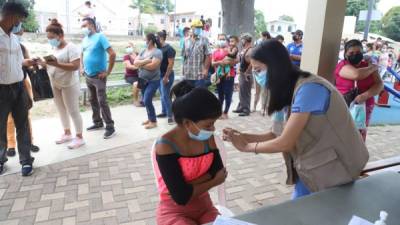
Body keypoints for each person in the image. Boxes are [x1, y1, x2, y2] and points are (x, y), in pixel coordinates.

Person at [223, 40, 369, 199]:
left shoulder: (309, 89)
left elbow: (285, 142)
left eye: (258, 70)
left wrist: (246, 147)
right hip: (314, 167)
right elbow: (276, 134)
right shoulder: (284, 91)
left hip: (337, 168)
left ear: (275, 67)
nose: (257, 77)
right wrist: (241, 136)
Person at [152, 81, 227, 225]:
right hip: (173, 211)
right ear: (187, 123)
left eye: (214, 123)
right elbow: (181, 197)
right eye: (208, 124)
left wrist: (184, 187)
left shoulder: (206, 135)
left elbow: (219, 171)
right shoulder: (165, 144)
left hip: (205, 207)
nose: (212, 129)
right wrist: (213, 181)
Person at [36, 19, 85, 149]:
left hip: (69, 84)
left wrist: (56, 64)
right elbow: (52, 65)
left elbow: (75, 66)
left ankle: (79, 137)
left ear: (60, 35)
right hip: (55, 82)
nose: (50, 40)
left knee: (73, 110)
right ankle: (67, 133)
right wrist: (43, 63)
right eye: (48, 37)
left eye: (52, 37)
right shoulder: (53, 47)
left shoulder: (72, 47)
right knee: (61, 110)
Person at [0, 2, 36, 176]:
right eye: (20, 18)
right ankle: (1, 160)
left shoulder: (14, 39)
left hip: (19, 87)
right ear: (12, 16)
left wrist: (31, 62)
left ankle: (26, 161)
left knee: (23, 125)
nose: (20, 23)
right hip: (1, 90)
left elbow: (20, 62)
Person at [334, 39, 383, 141]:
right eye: (351, 53)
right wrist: (373, 67)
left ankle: (357, 155)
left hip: (364, 106)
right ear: (345, 54)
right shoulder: (342, 65)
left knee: (359, 136)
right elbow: (357, 74)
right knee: (341, 135)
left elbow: (380, 85)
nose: (355, 55)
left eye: (358, 52)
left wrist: (364, 96)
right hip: (344, 104)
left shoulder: (368, 66)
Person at [6, 27, 40, 157]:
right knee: (8, 117)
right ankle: (11, 145)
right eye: (17, 32)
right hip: (6, 85)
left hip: (23, 83)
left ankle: (29, 142)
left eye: (20, 33)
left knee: (25, 115)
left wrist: (32, 63)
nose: (19, 34)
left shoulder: (22, 47)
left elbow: (27, 64)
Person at [81, 17, 116, 139]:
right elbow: (82, 54)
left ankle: (110, 127)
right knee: (92, 100)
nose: (82, 28)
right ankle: (97, 122)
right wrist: (82, 68)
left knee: (102, 101)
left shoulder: (100, 37)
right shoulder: (84, 39)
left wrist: (108, 72)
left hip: (99, 76)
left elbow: (112, 54)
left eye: (84, 26)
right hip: (88, 75)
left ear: (91, 25)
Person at [134, 33, 163, 129]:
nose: (144, 41)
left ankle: (153, 121)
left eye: (144, 39)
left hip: (153, 80)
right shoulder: (143, 51)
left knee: (147, 100)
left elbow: (153, 66)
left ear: (150, 41)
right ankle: (150, 118)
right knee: (145, 100)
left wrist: (140, 64)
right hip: (142, 79)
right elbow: (135, 62)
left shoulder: (157, 52)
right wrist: (147, 60)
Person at [212, 34, 237, 120]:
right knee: (220, 95)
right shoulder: (215, 52)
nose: (221, 41)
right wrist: (221, 62)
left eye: (223, 39)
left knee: (228, 94)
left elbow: (236, 61)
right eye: (220, 39)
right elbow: (212, 63)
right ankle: (220, 112)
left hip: (229, 76)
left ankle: (226, 112)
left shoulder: (230, 51)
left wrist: (227, 63)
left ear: (226, 41)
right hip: (219, 76)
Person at [182, 19, 211, 88]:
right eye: (197, 27)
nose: (199, 29)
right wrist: (183, 70)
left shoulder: (204, 40)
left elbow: (208, 55)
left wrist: (206, 69)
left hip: (199, 74)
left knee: (199, 96)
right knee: (188, 95)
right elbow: (184, 57)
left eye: (200, 28)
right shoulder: (185, 40)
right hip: (188, 74)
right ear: (192, 28)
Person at [156, 30, 176, 125]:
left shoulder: (169, 49)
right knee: (162, 94)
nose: (155, 39)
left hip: (167, 75)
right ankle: (164, 112)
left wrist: (166, 77)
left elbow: (171, 64)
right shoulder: (159, 48)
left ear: (161, 38)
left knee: (166, 95)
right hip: (159, 75)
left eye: (157, 37)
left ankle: (170, 116)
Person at [233, 33, 253, 117]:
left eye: (242, 39)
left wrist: (247, 72)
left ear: (245, 40)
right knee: (241, 91)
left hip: (246, 74)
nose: (241, 41)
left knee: (245, 92)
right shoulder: (245, 49)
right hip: (242, 73)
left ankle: (246, 109)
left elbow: (252, 63)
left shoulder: (250, 50)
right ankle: (241, 106)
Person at [253, 32, 271, 112]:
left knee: (265, 91)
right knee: (257, 90)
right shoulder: (257, 50)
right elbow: (253, 60)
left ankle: (264, 107)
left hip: (265, 73)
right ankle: (254, 106)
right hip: (257, 73)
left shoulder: (270, 50)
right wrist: (255, 68)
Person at [123, 42, 141, 107]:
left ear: (133, 47)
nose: (128, 48)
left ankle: (144, 99)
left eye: (129, 46)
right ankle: (135, 100)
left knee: (146, 81)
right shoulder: (126, 56)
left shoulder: (138, 54)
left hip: (139, 75)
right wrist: (139, 66)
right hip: (130, 76)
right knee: (136, 83)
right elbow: (129, 66)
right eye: (127, 47)